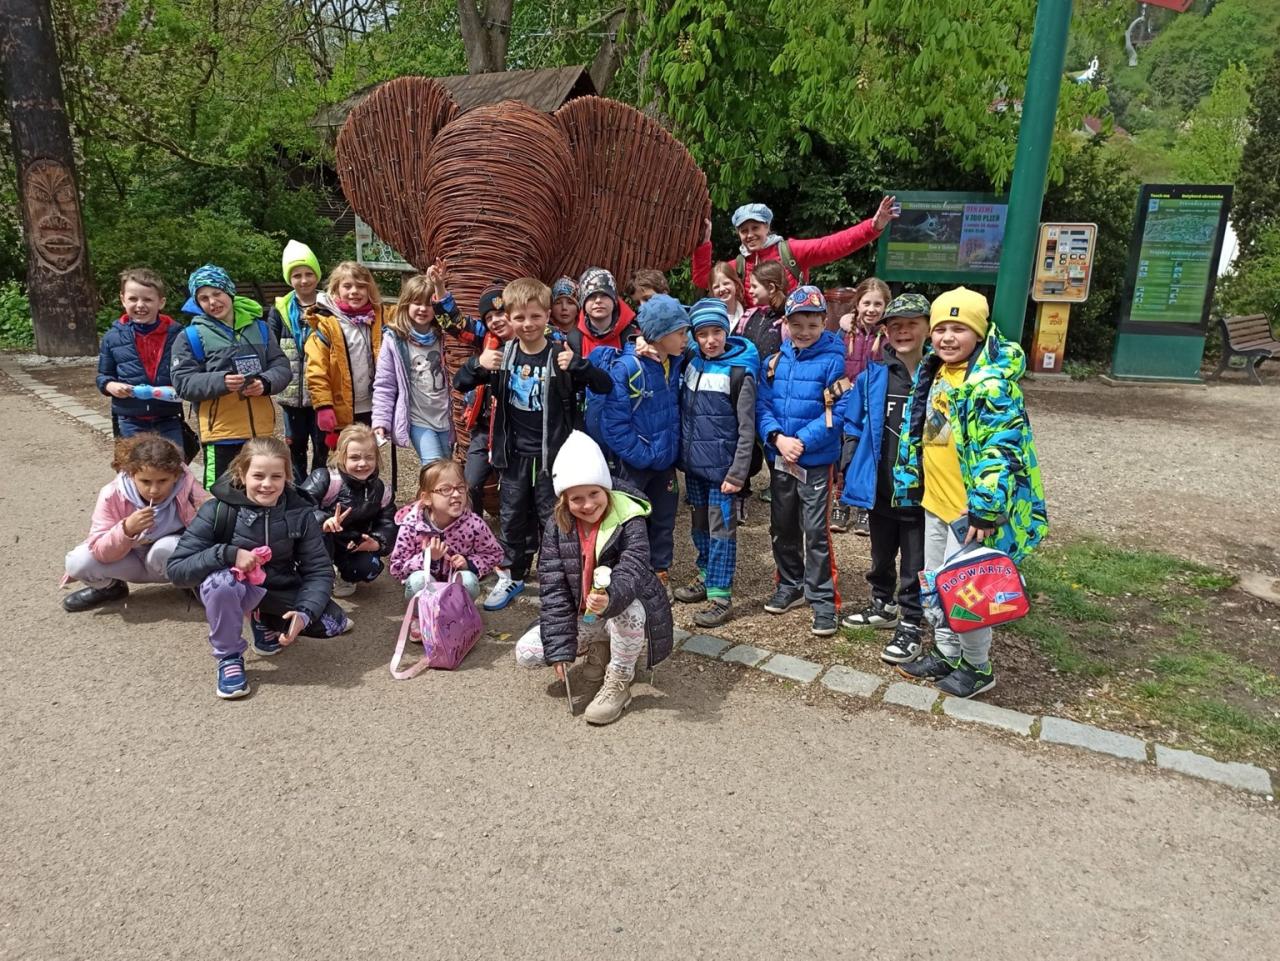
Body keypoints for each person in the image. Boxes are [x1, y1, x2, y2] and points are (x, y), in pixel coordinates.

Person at [894, 287, 1048, 698]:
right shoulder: (936, 372)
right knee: (936, 583)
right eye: (941, 328)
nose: (947, 337)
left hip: (970, 511)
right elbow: (930, 432)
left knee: (969, 589)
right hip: (936, 502)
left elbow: (1001, 449)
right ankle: (946, 653)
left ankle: (977, 666)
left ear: (979, 333)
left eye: (958, 329)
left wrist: (985, 507)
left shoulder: (992, 385)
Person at [453, 278, 612, 611]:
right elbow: (461, 382)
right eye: (520, 317)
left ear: (547, 316)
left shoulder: (559, 354)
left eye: (535, 316)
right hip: (513, 454)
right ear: (509, 318)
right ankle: (513, 573)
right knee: (512, 516)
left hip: (552, 456)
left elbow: (604, 386)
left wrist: (579, 365)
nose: (528, 324)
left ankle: (560, 578)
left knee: (553, 518)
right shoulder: (502, 356)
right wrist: (477, 364)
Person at [167, 437, 352, 700]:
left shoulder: (300, 513)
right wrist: (227, 554)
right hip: (233, 587)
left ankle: (263, 620)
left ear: (287, 477)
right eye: (258, 476)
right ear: (241, 474)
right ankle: (229, 656)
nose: (267, 484)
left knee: (331, 623)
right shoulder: (217, 510)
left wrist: (304, 612)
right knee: (222, 584)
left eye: (276, 476)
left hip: (276, 587)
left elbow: (319, 571)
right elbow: (177, 570)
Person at [513, 431, 673, 726]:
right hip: (585, 615)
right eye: (576, 498)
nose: (587, 504)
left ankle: (620, 680)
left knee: (630, 611)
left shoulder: (630, 517)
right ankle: (601, 645)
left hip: (621, 606)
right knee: (527, 653)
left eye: (594, 494)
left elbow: (633, 568)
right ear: (564, 500)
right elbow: (554, 591)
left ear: (606, 489)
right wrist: (560, 648)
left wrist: (610, 598)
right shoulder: (556, 527)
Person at [837, 293, 931, 664]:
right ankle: (882, 603)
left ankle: (911, 622)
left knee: (915, 563)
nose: (903, 331)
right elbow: (854, 422)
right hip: (880, 487)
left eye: (912, 324)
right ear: (886, 332)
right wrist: (850, 462)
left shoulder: (939, 377)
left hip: (922, 493)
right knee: (879, 554)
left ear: (928, 328)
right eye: (895, 326)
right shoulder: (873, 376)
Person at [756, 285, 847, 636]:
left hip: (816, 461)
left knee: (815, 530)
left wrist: (802, 441)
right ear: (786, 324)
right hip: (781, 458)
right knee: (782, 525)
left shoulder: (834, 361)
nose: (804, 331)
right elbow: (762, 406)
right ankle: (790, 582)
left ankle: (823, 599)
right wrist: (778, 438)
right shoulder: (775, 362)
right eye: (797, 324)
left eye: (812, 324)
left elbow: (839, 410)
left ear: (824, 322)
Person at [587, 292, 686, 583]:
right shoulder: (629, 368)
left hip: (664, 461)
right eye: (681, 332)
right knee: (629, 520)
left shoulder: (675, 360)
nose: (686, 339)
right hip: (636, 464)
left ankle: (659, 571)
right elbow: (614, 424)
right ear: (660, 334)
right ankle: (625, 574)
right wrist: (643, 455)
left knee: (664, 519)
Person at [672, 298, 758, 627]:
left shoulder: (739, 372)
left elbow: (747, 429)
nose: (710, 340)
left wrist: (738, 473)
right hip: (694, 467)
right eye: (703, 334)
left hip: (723, 471)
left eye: (717, 332)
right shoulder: (693, 360)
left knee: (721, 531)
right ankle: (706, 574)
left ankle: (720, 596)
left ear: (727, 331)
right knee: (699, 526)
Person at [171, 264, 291, 488]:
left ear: (229, 292)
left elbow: (281, 365)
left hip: (261, 433)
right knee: (221, 495)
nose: (212, 302)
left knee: (263, 491)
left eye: (217, 293)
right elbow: (183, 382)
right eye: (204, 298)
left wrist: (265, 382)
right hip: (221, 434)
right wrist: (221, 381)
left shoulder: (260, 328)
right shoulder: (190, 336)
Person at [62, 433, 210, 612]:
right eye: (145, 481)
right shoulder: (112, 494)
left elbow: (210, 527)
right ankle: (110, 588)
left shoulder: (187, 487)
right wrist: (126, 529)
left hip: (166, 559)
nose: (154, 490)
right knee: (77, 562)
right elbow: (99, 550)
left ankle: (189, 582)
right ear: (132, 475)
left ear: (176, 476)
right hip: (128, 560)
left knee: (167, 547)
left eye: (163, 481)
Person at [691, 197, 898, 304]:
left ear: (767, 227)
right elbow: (703, 280)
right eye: (744, 231)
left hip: (793, 334)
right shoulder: (739, 265)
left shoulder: (790, 252)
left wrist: (874, 226)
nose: (750, 234)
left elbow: (833, 245)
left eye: (755, 228)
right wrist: (704, 243)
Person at [298, 423, 397, 598]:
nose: (363, 463)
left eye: (369, 457)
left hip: (351, 543)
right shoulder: (326, 478)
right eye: (354, 457)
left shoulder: (380, 489)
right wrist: (324, 520)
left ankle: (345, 575)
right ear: (341, 456)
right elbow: (298, 507)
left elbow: (388, 521)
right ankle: (313, 574)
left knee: (369, 567)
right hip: (320, 539)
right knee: (319, 542)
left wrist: (377, 541)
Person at [389, 459, 503, 605]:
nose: (456, 494)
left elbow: (495, 554)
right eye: (445, 489)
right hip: (426, 587)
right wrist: (427, 558)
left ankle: (458, 613)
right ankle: (422, 614)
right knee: (418, 580)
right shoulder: (412, 526)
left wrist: (469, 564)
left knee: (468, 580)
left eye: (460, 487)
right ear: (427, 498)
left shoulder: (473, 524)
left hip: (455, 585)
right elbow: (397, 567)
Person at [372, 267, 454, 466]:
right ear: (406, 304)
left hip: (445, 416)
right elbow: (385, 385)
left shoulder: (445, 337)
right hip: (419, 419)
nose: (423, 309)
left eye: (429, 304)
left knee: (448, 465)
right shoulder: (395, 340)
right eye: (417, 303)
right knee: (433, 465)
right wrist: (381, 421)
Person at [97, 268, 185, 451]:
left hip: (168, 417)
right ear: (123, 299)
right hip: (130, 419)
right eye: (133, 299)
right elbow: (104, 375)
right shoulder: (112, 337)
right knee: (135, 465)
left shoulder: (178, 335)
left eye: (147, 299)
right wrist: (110, 386)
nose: (140, 305)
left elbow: (186, 373)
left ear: (161, 302)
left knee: (174, 462)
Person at [832, 277, 891, 534]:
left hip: (874, 406)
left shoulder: (889, 337)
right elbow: (834, 363)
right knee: (844, 454)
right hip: (846, 403)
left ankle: (865, 508)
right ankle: (841, 502)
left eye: (878, 304)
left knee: (869, 454)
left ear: (886, 306)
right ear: (857, 304)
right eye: (866, 303)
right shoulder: (845, 332)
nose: (871, 309)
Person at [304, 260, 386, 446]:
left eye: (361, 286)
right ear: (336, 290)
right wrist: (323, 405)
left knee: (367, 454)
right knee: (341, 456)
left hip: (372, 405)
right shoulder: (327, 325)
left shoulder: (379, 319)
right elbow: (316, 370)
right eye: (347, 286)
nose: (354, 291)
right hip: (339, 408)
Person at [267, 240, 326, 483]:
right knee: (295, 447)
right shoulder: (280, 310)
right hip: (291, 394)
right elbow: (271, 348)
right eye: (297, 275)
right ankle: (300, 490)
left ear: (317, 275)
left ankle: (321, 488)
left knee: (323, 446)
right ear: (289, 278)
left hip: (322, 393)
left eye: (309, 273)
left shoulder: (328, 306)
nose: (304, 280)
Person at [567, 267, 637, 357]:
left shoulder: (631, 335)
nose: (598, 300)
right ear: (583, 302)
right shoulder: (574, 338)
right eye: (592, 296)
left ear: (614, 300)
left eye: (604, 295)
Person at [709, 261, 746, 335]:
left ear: (736, 284)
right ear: (712, 292)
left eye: (726, 283)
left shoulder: (747, 315)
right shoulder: (709, 318)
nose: (722, 289)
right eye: (716, 287)